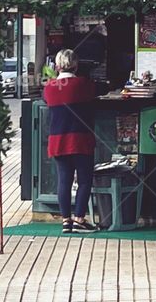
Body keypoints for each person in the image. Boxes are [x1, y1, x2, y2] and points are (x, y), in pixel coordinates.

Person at [43, 49, 97, 232]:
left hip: (58, 141)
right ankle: (79, 219)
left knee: (64, 181)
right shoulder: (83, 84)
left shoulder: (49, 87)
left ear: (57, 66)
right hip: (80, 139)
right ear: (76, 65)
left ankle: (66, 221)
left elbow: (46, 100)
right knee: (84, 181)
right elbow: (98, 91)